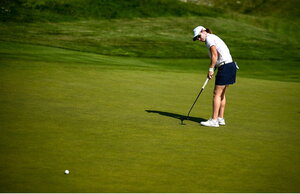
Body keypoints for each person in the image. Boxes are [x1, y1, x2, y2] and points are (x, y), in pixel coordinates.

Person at [192, 26, 238, 127]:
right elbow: (217, 57)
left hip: (225, 67)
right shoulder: (212, 37)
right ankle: (220, 118)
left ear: (203, 31)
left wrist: (211, 69)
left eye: (199, 36)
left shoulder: (209, 38)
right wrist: (214, 68)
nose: (199, 39)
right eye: (196, 38)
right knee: (221, 94)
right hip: (231, 66)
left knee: (216, 94)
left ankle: (214, 120)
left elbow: (214, 56)